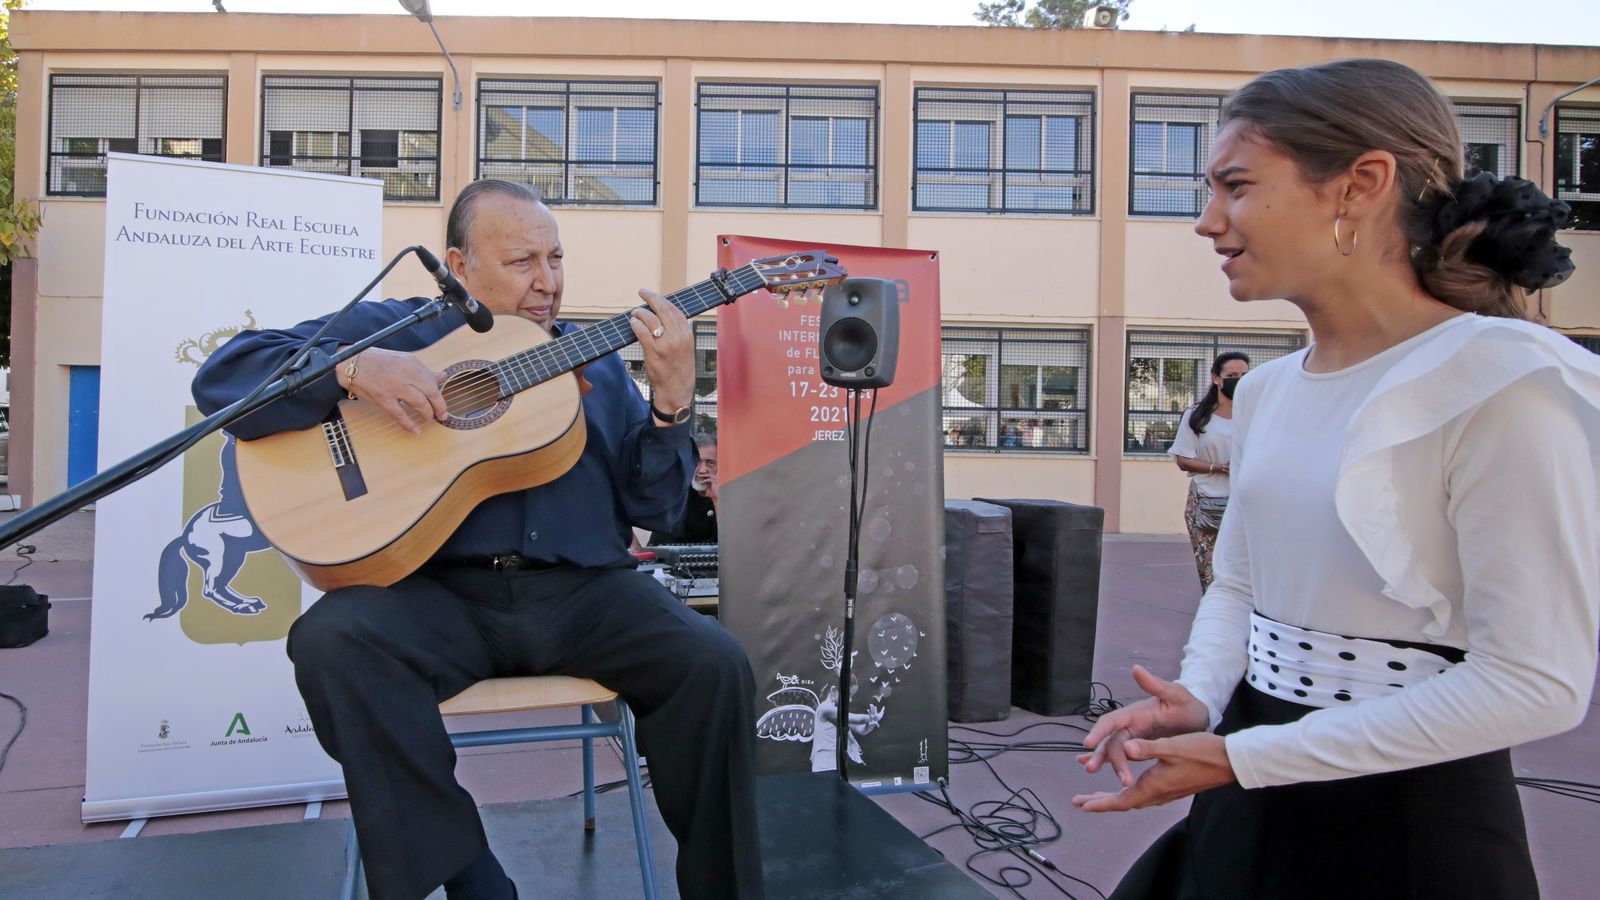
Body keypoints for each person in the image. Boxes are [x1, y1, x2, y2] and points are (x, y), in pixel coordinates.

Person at [1072, 59, 1597, 900]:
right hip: (1246, 798)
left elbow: (1536, 683)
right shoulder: (1271, 390)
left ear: (1360, 185)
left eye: (1236, 186)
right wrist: (1202, 698)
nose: (1210, 222)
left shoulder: (1506, 382)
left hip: (1410, 824)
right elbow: (1240, 582)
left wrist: (1247, 758)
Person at [193, 180, 763, 900]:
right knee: (332, 638)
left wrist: (674, 403)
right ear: (458, 268)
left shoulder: (595, 363)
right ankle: (473, 879)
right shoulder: (399, 332)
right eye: (524, 260)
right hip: (439, 598)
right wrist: (352, 368)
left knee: (714, 662)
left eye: (556, 258)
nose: (549, 282)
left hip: (586, 594)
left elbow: (656, 505)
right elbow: (226, 375)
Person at [1166, 351, 1250, 590]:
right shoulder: (1197, 416)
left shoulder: (1256, 414)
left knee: (1246, 574)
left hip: (1246, 505)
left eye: (1244, 375)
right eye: (1232, 375)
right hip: (1207, 506)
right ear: (1216, 378)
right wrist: (1219, 468)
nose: (1238, 380)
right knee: (1212, 575)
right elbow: (1183, 459)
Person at [651, 432, 718, 544]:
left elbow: (731, 542)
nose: (702, 470)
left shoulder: (727, 495)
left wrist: (716, 499)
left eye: (710, 463)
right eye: (697, 461)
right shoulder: (674, 492)